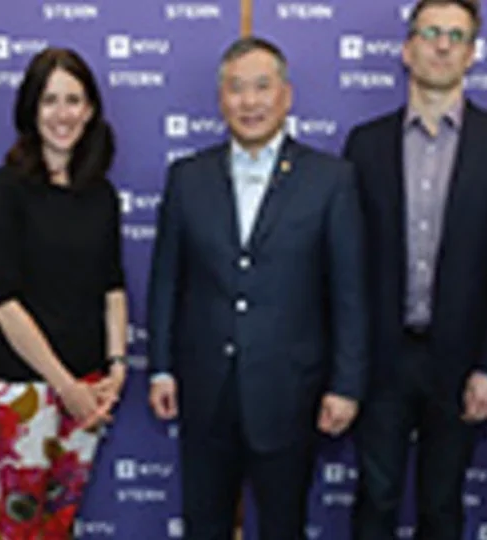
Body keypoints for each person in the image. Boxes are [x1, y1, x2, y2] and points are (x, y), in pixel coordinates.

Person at [147, 36, 368, 539]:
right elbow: (166, 281)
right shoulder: (188, 177)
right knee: (205, 525)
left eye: (262, 87)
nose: (250, 102)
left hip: (291, 393)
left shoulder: (330, 180)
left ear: (286, 96)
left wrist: (346, 384)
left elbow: (349, 293)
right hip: (205, 392)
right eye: (236, 89)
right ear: (221, 98)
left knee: (283, 527)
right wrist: (160, 367)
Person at [341, 0, 487, 537]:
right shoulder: (365, 144)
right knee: (375, 499)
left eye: (456, 35)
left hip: (462, 361)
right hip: (382, 358)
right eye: (430, 32)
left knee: (442, 506)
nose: (443, 45)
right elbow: (347, 264)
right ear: (408, 49)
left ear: (472, 54)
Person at [0, 47, 128, 538]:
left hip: (89, 388)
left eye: (73, 100)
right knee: (18, 528)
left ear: (89, 110)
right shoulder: (6, 188)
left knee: (59, 525)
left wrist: (117, 367)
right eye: (50, 100)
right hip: (26, 390)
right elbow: (3, 301)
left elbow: (113, 286)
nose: (62, 114)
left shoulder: (100, 194)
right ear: (30, 110)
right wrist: (66, 387)